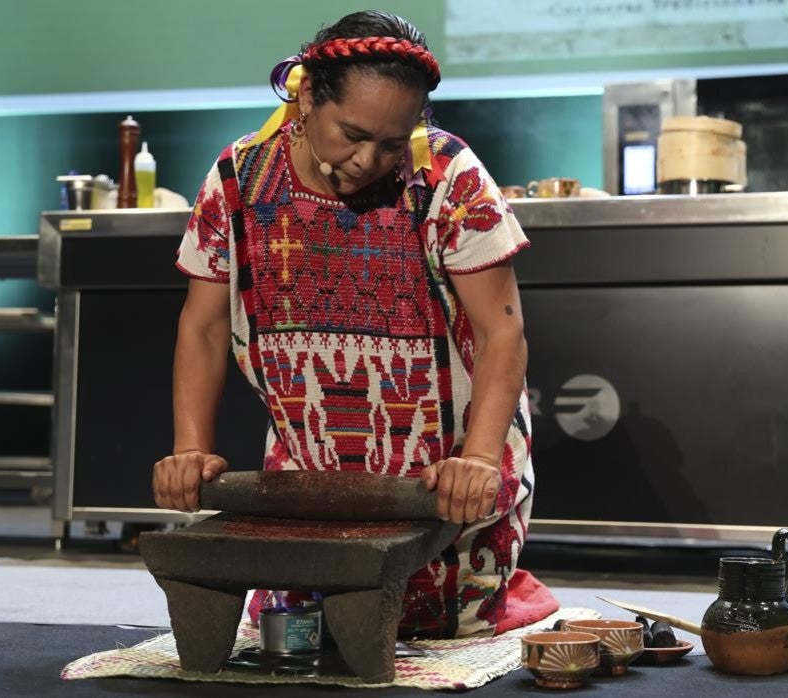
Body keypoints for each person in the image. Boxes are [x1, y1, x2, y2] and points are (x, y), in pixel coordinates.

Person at [153, 10, 547, 639]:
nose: (369, 160)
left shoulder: (449, 175)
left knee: (436, 628)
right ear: (307, 97)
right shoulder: (238, 178)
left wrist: (476, 461)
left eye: (393, 143)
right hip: (309, 479)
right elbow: (202, 327)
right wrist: (190, 448)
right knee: (305, 631)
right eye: (352, 134)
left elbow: (503, 333)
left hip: (444, 483)